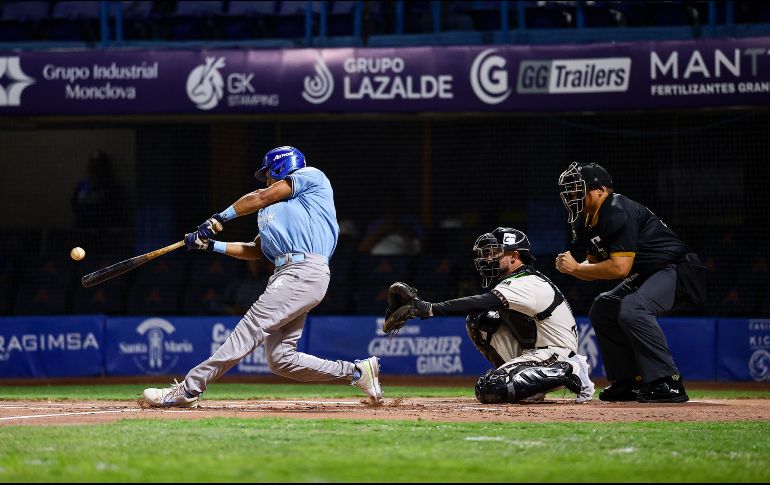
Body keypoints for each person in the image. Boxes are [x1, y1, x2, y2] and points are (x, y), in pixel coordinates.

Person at [142, 146, 382, 407]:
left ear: (282, 167)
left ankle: (190, 388)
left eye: (268, 173)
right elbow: (256, 251)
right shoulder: (269, 212)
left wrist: (218, 218)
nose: (266, 179)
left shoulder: (312, 178)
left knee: (250, 328)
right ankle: (357, 372)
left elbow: (262, 196)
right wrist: (211, 245)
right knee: (280, 359)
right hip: (288, 274)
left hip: (304, 271)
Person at [384, 227, 595, 405]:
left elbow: (479, 301)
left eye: (495, 253)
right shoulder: (516, 280)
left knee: (490, 386)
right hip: (534, 352)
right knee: (481, 321)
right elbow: (482, 309)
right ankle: (525, 384)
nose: (488, 258)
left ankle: (573, 370)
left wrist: (427, 308)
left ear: (514, 256)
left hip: (555, 355)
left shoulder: (527, 281)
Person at [555, 162, 705, 404]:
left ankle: (667, 381)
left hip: (677, 268)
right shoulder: (592, 219)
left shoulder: (615, 209)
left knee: (633, 309)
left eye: (578, 190)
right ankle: (630, 381)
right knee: (603, 307)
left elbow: (620, 268)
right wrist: (575, 269)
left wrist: (576, 268)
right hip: (649, 273)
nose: (573, 197)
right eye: (570, 192)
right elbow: (594, 268)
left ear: (600, 190)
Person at [71, 151, 130, 230]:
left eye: (97, 165)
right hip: (80, 231)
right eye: (92, 164)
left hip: (101, 234)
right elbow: (74, 206)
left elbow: (117, 211)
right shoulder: (81, 186)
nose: (94, 167)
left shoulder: (112, 187)